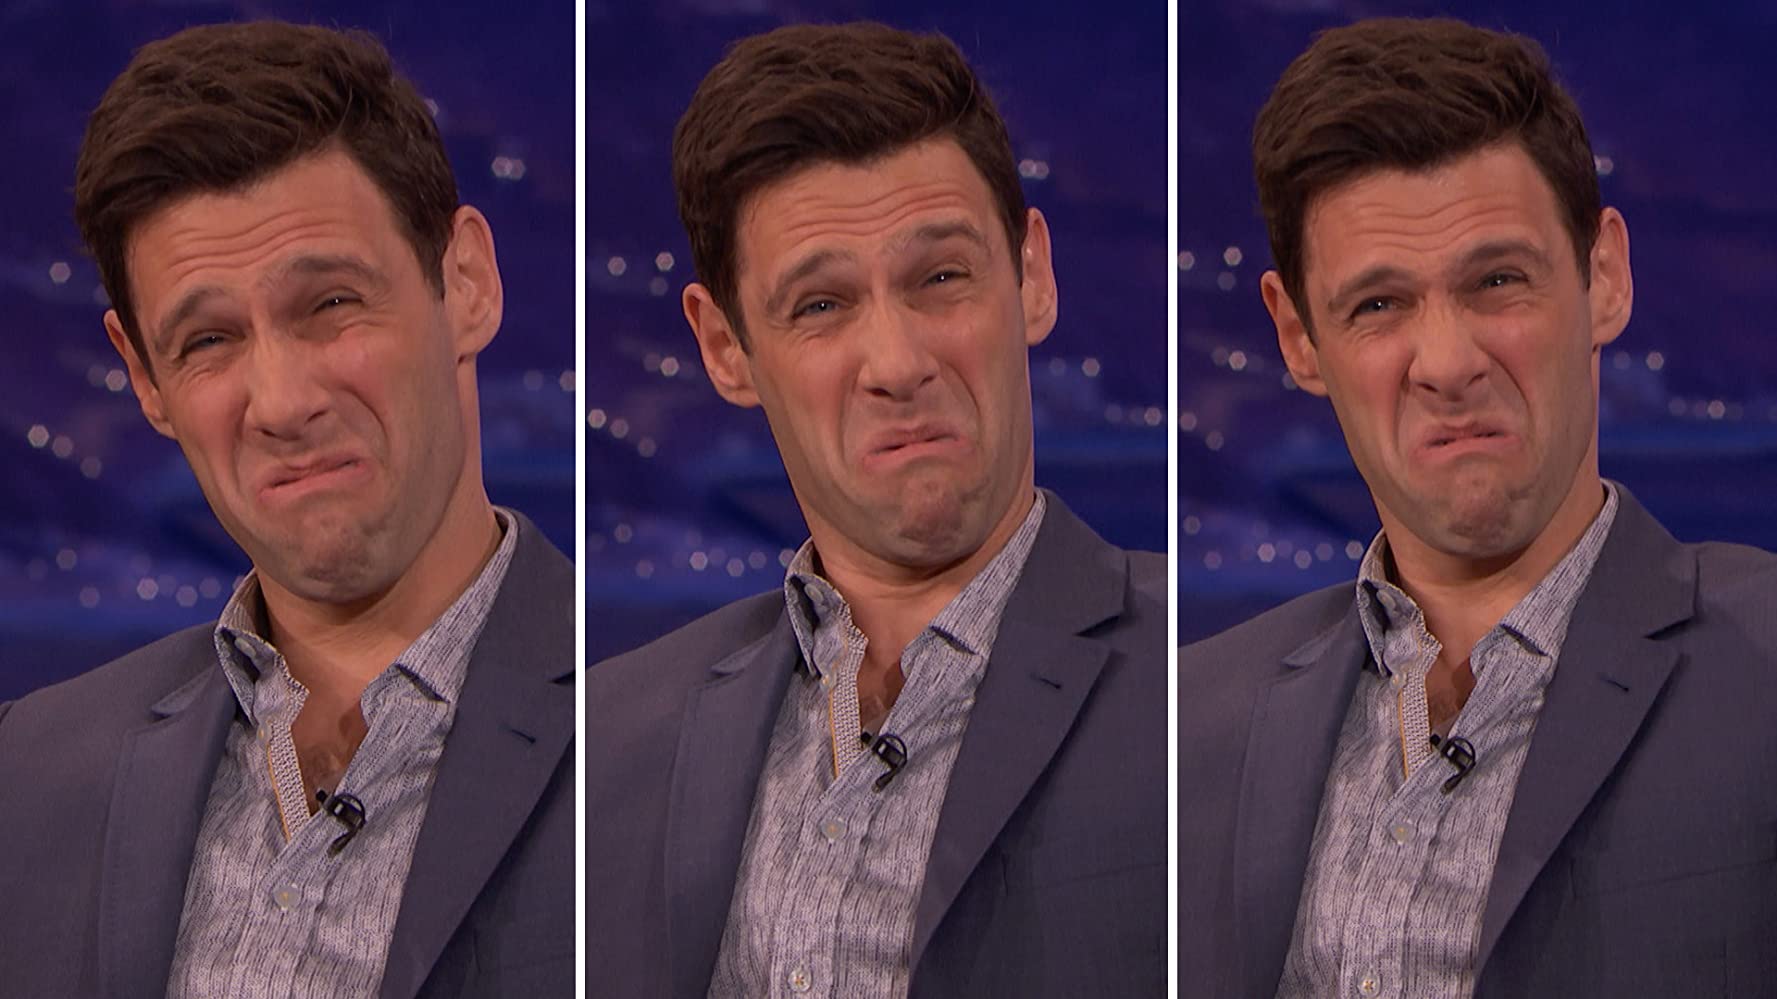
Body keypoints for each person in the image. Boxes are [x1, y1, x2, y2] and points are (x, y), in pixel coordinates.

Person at [1177, 16, 1777, 997]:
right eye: (1378, 305)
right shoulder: (1185, 726)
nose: (1448, 363)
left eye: (1497, 281)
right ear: (1296, 337)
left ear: (1603, 276)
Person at [585, 21, 1166, 998]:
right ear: (724, 347)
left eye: (939, 278)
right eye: (820, 305)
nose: (897, 363)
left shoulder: (1197, 686)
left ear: (1031, 276)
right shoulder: (606, 742)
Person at [0, 22, 574, 996]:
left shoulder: (648, 741)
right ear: (143, 377)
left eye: (332, 303)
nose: (282, 402)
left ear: (465, 283)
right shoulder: (28, 775)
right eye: (207, 340)